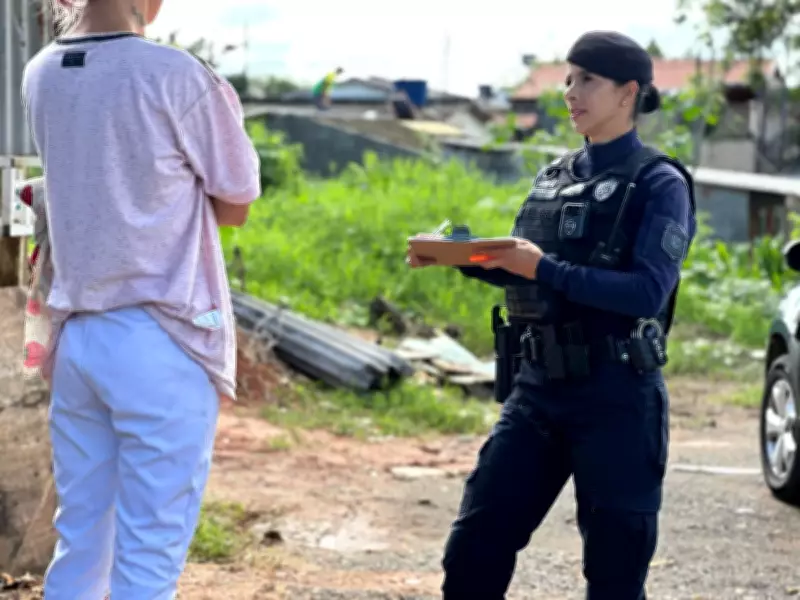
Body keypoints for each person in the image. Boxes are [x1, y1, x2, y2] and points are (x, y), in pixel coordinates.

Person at [407, 31, 697, 599]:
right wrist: (458, 257)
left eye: (587, 79)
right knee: (473, 549)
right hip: (537, 393)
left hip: (616, 397)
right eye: (568, 79)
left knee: (614, 575)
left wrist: (541, 269)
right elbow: (523, 265)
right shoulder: (554, 176)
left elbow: (645, 294)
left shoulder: (659, 183)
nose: (570, 92)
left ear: (628, 93)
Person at [22, 0, 261, 597]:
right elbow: (236, 203)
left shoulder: (42, 71)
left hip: (75, 336)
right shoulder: (175, 75)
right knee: (149, 555)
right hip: (162, 333)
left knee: (81, 543)